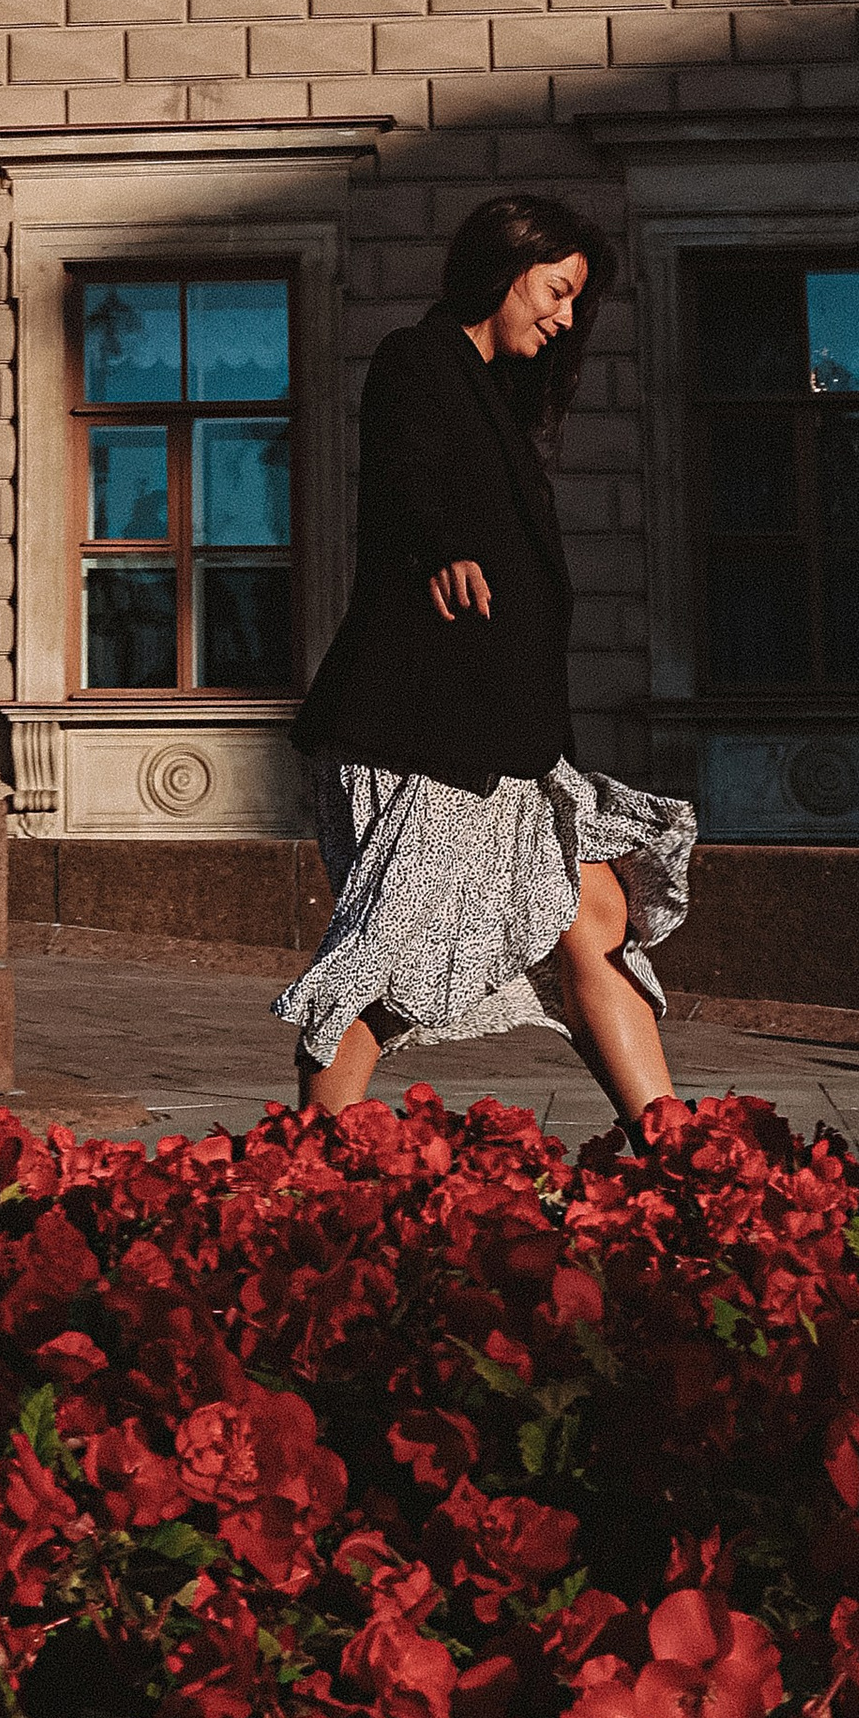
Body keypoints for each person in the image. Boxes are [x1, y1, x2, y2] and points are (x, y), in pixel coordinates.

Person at [274, 192, 696, 1137]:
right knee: (390, 956)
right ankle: (302, 1173)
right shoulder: (419, 359)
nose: (565, 315)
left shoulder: (492, 396)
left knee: (594, 915)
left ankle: (678, 1150)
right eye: (556, 290)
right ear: (503, 269)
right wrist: (441, 547)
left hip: (501, 735)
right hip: (428, 728)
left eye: (577, 300)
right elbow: (404, 472)